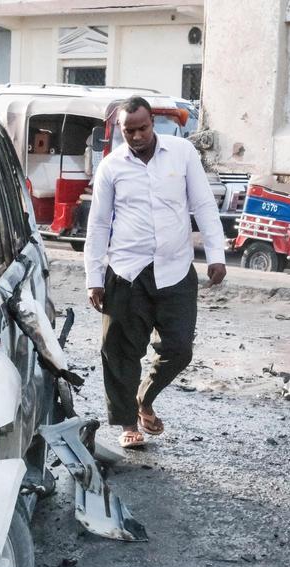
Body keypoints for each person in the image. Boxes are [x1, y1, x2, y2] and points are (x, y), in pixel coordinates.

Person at [84, 96, 227, 450]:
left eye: (142, 128)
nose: (136, 136)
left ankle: (144, 399)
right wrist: (94, 278)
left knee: (179, 348)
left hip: (175, 270)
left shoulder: (182, 153)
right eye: (128, 130)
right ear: (120, 130)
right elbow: (99, 224)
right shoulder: (111, 167)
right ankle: (128, 424)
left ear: (153, 124)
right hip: (126, 272)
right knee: (119, 351)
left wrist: (216, 255)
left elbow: (203, 204)